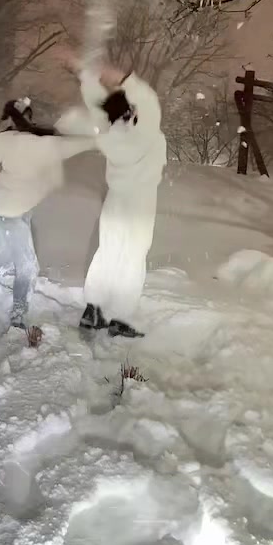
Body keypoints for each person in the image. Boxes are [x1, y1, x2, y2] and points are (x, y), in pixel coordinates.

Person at [57, 57, 167, 338]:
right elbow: (150, 101)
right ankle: (119, 316)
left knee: (108, 252)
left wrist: (87, 78)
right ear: (132, 110)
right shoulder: (143, 134)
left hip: (115, 203)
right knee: (132, 259)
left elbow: (99, 106)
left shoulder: (110, 133)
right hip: (139, 206)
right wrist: (125, 79)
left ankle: (93, 309)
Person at [0, 97, 95, 328]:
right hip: (15, 213)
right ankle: (18, 315)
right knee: (27, 267)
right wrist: (99, 139)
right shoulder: (38, 144)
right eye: (30, 116)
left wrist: (15, 120)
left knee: (0, 257)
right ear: (26, 117)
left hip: (3, 211)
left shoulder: (5, 141)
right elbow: (73, 145)